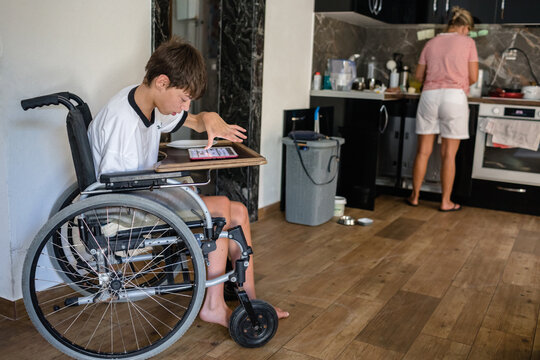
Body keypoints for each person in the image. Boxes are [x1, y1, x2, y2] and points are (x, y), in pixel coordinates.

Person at [88, 36, 289, 327]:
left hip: (141, 194)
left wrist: (205, 117)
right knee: (219, 209)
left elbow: (187, 121)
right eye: (183, 98)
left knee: (240, 212)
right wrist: (174, 186)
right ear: (162, 82)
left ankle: (251, 301)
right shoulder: (123, 121)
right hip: (125, 210)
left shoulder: (143, 101)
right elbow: (116, 186)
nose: (184, 106)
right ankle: (213, 306)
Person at [406, 6, 478, 212]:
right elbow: (473, 77)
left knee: (423, 152)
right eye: (468, 29)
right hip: (454, 98)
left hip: (429, 96)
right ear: (464, 27)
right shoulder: (468, 42)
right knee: (448, 155)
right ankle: (445, 202)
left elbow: (419, 75)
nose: (468, 33)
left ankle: (414, 196)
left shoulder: (431, 43)